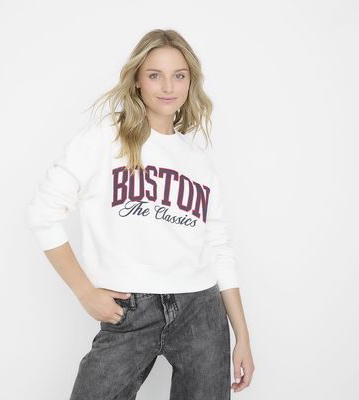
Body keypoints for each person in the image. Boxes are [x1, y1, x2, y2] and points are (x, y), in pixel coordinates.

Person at [25, 29, 254, 399]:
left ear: (191, 82)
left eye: (179, 75)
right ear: (136, 80)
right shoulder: (106, 138)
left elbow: (219, 247)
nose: (168, 86)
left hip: (201, 310)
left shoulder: (198, 162)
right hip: (129, 309)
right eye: (154, 74)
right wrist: (85, 292)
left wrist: (242, 335)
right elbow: (42, 213)